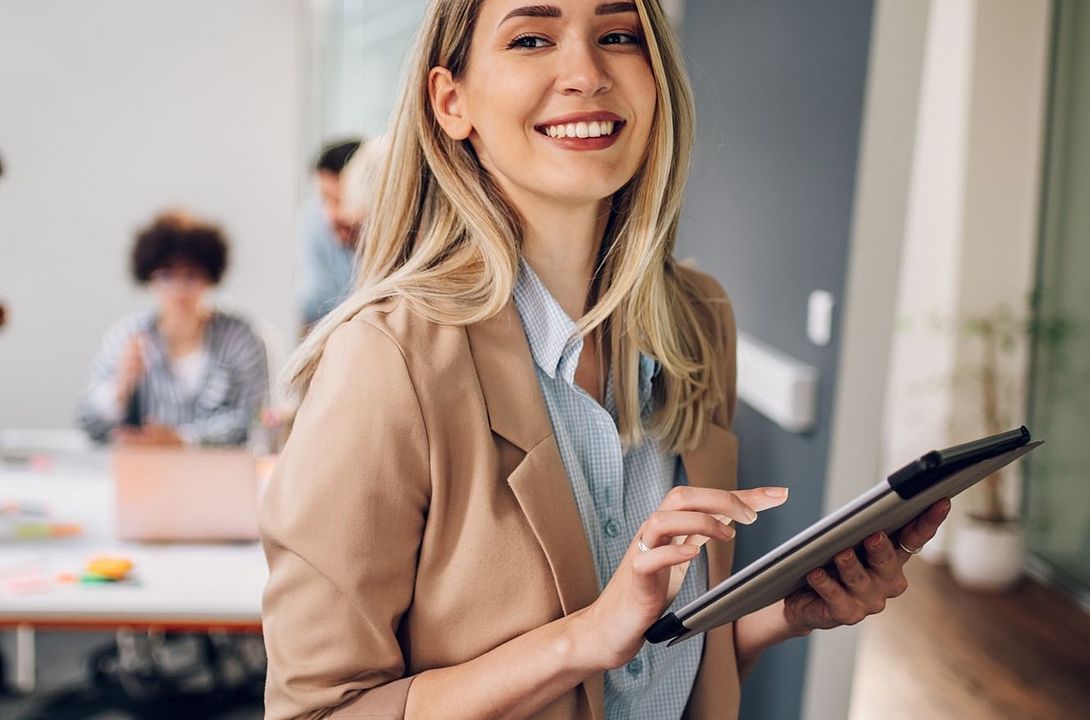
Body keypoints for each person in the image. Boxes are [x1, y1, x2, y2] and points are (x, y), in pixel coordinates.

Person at [259, 1, 951, 718]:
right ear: (451, 100)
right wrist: (586, 637)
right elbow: (321, 710)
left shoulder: (697, 321)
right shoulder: (386, 359)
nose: (586, 73)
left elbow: (644, 679)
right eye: (532, 38)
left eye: (618, 36)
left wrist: (790, 614)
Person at [77, 211, 268, 445]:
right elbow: (89, 425)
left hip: (218, 474)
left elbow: (253, 421)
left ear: (209, 277)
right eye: (167, 276)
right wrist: (119, 387)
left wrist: (182, 439)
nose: (179, 289)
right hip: (145, 473)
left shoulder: (240, 339)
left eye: (191, 275)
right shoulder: (128, 336)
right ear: (149, 278)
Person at [298, 138, 362, 328]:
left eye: (340, 200)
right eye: (325, 199)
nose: (331, 215)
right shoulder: (312, 220)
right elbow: (312, 307)